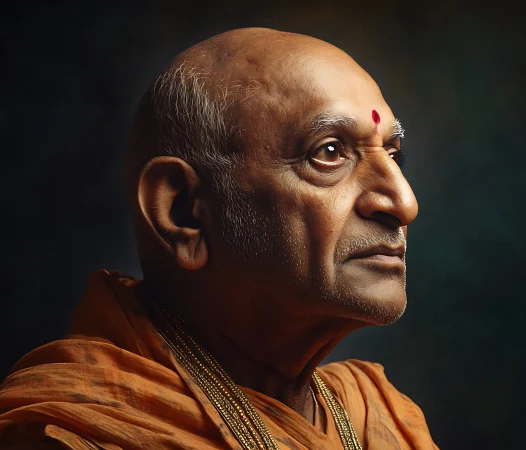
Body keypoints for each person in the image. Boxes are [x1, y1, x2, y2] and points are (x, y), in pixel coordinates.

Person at [0, 27, 438, 450]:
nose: (403, 203)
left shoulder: (381, 417)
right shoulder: (71, 434)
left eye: (393, 154)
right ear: (183, 212)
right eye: (328, 152)